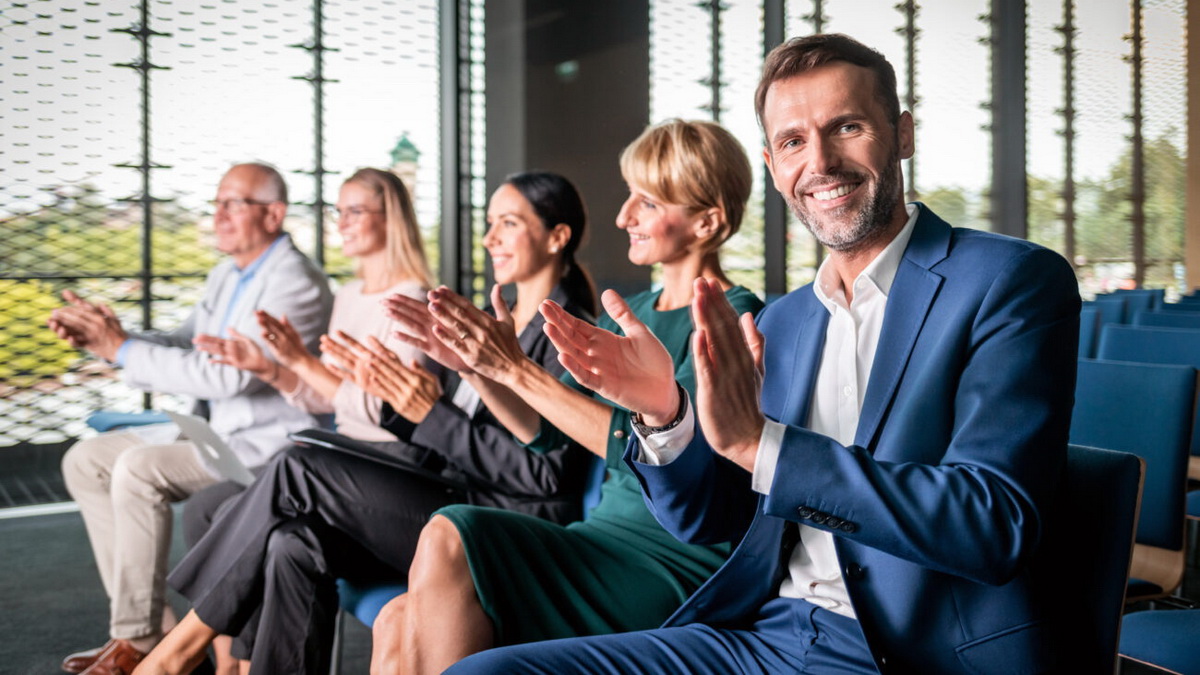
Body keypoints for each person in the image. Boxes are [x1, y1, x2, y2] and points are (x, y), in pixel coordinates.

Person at [445, 34, 1081, 675]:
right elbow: (714, 517)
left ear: (903, 134)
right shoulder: (786, 319)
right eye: (793, 142)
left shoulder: (1010, 280)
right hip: (763, 632)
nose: (822, 162)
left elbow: (992, 523)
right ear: (775, 167)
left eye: (848, 127)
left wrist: (761, 446)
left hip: (910, 649)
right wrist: (666, 416)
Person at [132, 171, 597, 675]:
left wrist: (426, 413)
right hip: (447, 488)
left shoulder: (573, 336)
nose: (489, 239)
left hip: (502, 519)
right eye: (489, 224)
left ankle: (172, 655)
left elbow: (547, 475)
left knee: (298, 466)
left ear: (557, 237)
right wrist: (390, 395)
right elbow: (429, 423)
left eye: (508, 223)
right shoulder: (484, 319)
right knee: (293, 541)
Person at [372, 119, 766, 674]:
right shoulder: (632, 312)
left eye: (647, 203)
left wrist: (514, 369)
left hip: (676, 556)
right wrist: (483, 370)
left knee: (449, 531)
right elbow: (548, 436)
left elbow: (655, 447)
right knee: (395, 616)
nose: (623, 217)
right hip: (600, 536)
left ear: (707, 220)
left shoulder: (735, 321)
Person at [50, 162, 334, 675]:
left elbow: (228, 377)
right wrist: (111, 338)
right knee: (85, 461)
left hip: (269, 452)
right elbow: (186, 341)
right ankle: (154, 633)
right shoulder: (228, 273)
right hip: (218, 436)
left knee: (138, 469)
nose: (218, 215)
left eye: (233, 203)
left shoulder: (296, 282)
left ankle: (135, 642)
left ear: (273, 214)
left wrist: (124, 349)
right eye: (217, 202)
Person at [180, 167, 433, 673]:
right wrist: (277, 368)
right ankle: (232, 659)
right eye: (337, 211)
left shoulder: (414, 300)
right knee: (209, 505)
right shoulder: (347, 296)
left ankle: (192, 650)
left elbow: (396, 415)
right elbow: (326, 402)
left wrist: (302, 364)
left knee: (277, 504)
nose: (341, 222)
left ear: (393, 220)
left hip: (395, 462)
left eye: (354, 211)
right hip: (346, 452)